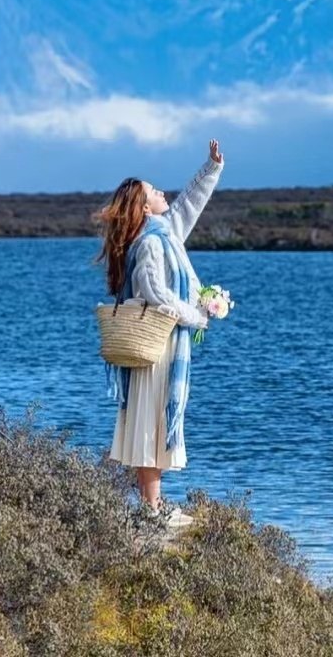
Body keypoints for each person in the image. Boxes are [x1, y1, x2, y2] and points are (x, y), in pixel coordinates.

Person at [95, 139, 225, 527]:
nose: (161, 193)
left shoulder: (162, 232)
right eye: (154, 191)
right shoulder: (151, 243)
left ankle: (153, 507)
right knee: (149, 425)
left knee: (151, 423)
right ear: (143, 206)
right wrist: (194, 315)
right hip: (156, 347)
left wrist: (211, 168)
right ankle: (152, 512)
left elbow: (188, 204)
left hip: (160, 345)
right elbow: (153, 292)